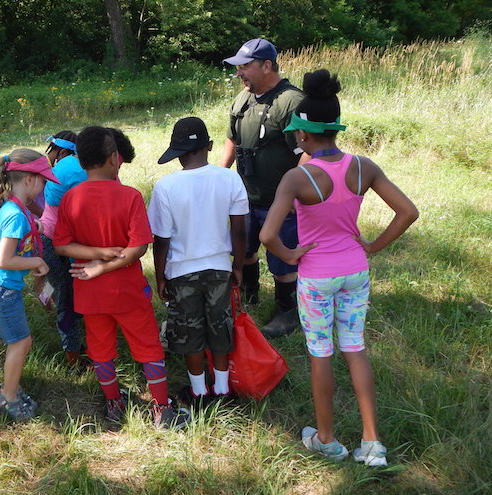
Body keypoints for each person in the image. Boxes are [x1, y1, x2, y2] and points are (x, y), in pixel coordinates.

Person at [259, 69, 418, 466]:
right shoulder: (364, 167)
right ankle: (372, 443)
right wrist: (373, 246)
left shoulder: (297, 176)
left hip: (315, 276)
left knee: (320, 354)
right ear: (335, 127)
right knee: (355, 349)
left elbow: (266, 236)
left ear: (302, 135)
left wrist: (290, 253)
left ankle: (327, 439)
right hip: (354, 270)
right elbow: (407, 212)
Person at [53, 126, 190, 429]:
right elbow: (138, 247)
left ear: (80, 160)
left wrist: (95, 256)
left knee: (100, 349)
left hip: (89, 291)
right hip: (127, 290)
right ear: (115, 159)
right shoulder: (130, 196)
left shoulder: (70, 198)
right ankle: (163, 410)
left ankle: (114, 403)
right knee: (148, 347)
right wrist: (103, 261)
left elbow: (61, 244)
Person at [148, 117, 249, 406]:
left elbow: (161, 240)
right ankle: (221, 389)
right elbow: (239, 229)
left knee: (190, 332)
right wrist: (238, 266)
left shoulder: (165, 186)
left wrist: (160, 277)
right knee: (220, 328)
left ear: (177, 153)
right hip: (220, 269)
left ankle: (198, 391)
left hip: (181, 272)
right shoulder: (229, 178)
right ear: (210, 146)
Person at [220, 38, 306, 338]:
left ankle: (287, 310)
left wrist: (295, 195)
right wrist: (221, 176)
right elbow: (232, 138)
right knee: (242, 250)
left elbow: (306, 154)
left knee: (283, 260)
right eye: (238, 67)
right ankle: (250, 294)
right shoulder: (243, 98)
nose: (239, 73)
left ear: (267, 65)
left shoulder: (291, 101)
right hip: (244, 196)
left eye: (245, 66)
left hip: (279, 201)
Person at [0, 149, 60, 422]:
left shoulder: (16, 206)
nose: (45, 186)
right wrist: (37, 259)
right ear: (28, 181)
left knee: (21, 341)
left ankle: (10, 387)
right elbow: (4, 259)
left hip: (2, 286)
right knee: (20, 342)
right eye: (43, 180)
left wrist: (35, 227)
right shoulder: (14, 213)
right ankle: (7, 398)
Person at [39, 131, 87, 368]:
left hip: (50, 239)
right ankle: (73, 353)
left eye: (51, 151)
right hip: (69, 243)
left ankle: (73, 355)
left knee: (61, 290)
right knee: (67, 294)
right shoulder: (80, 166)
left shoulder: (61, 168)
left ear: (61, 151)